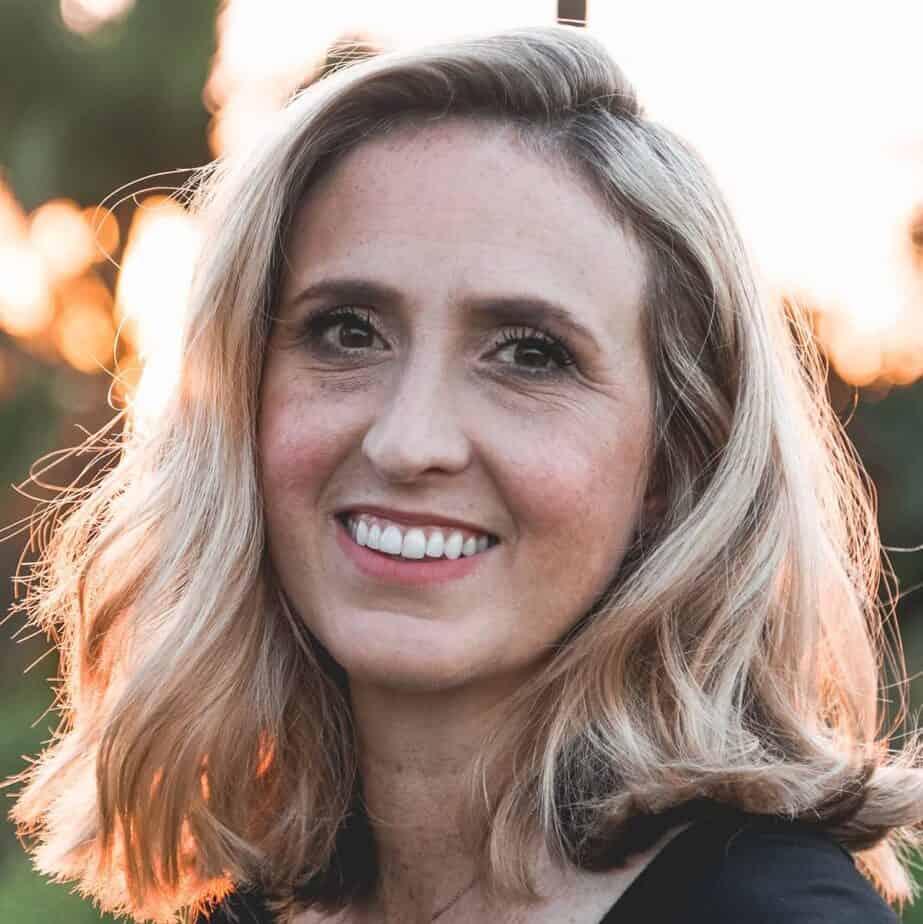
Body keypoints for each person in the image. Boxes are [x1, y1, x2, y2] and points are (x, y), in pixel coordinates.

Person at [7, 24, 923, 924]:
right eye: (347, 332)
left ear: (674, 461)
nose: (408, 442)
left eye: (529, 353)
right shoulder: (245, 908)